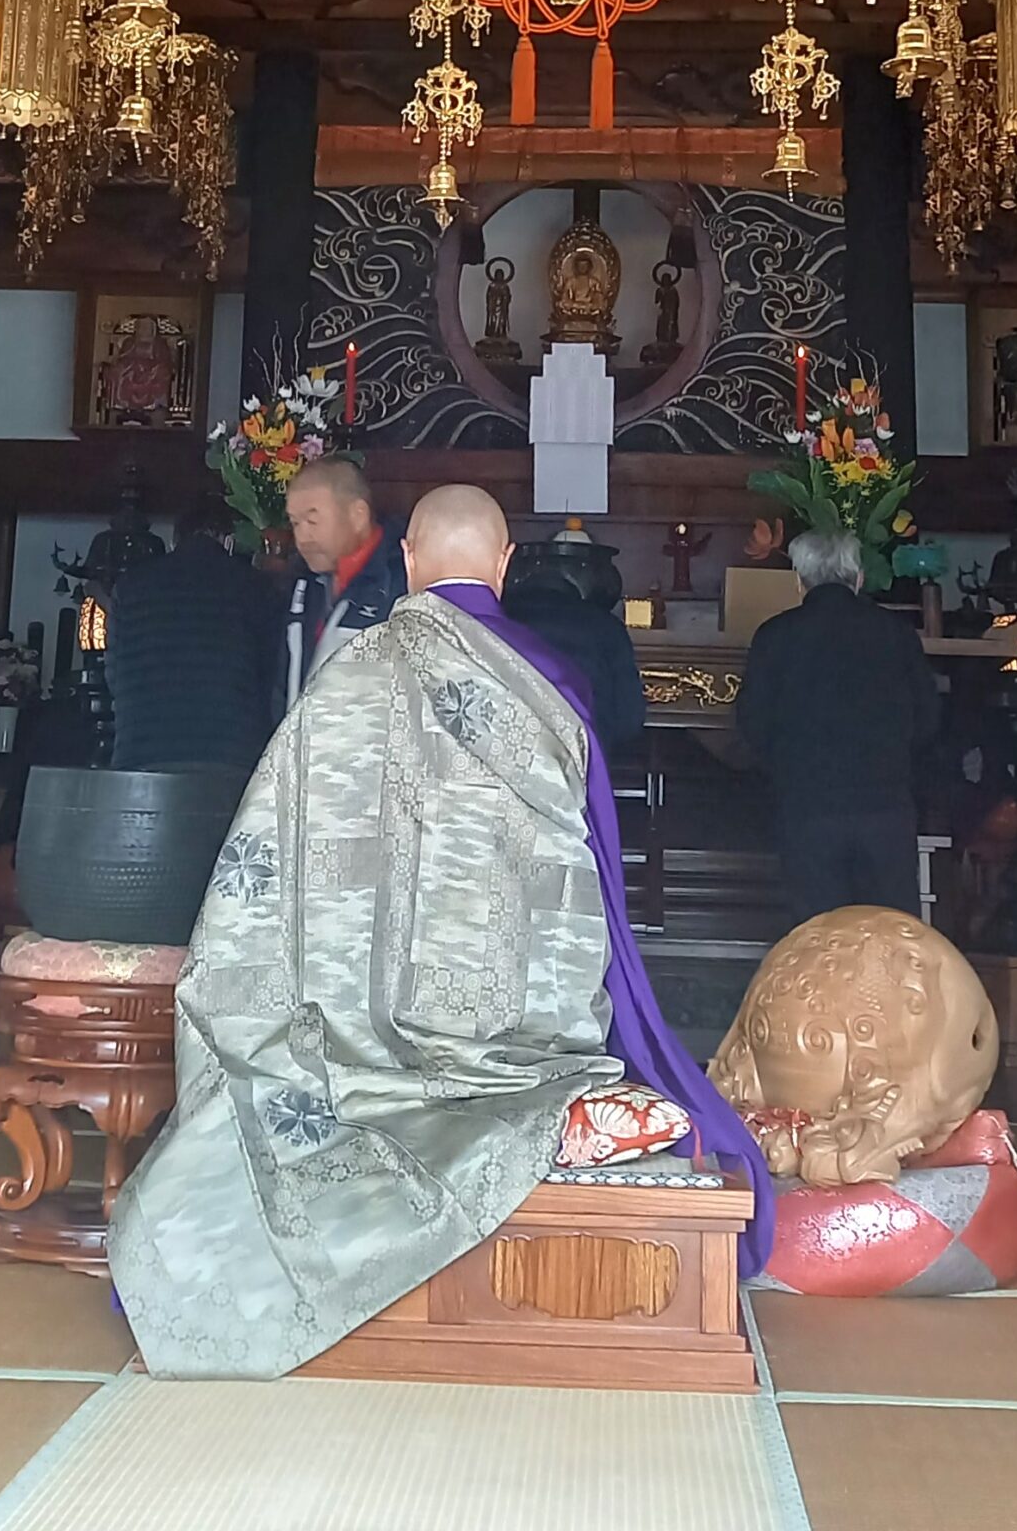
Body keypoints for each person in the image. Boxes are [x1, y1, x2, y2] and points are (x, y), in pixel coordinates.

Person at [109, 484, 772, 1378]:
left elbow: (273, 836)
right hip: (516, 1024)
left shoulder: (350, 669)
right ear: (502, 567)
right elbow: (594, 870)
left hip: (353, 1019)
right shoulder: (551, 679)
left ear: (411, 563)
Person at [736, 528, 940, 926]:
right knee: (889, 935)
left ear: (800, 581)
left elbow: (752, 724)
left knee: (817, 937)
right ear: (859, 577)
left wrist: (786, 773)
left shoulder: (776, 636)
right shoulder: (896, 634)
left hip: (807, 806)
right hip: (886, 804)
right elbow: (928, 717)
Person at [104, 497, 284, 772]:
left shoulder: (129, 586)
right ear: (228, 541)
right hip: (232, 756)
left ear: (175, 540)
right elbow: (272, 680)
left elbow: (114, 675)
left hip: (140, 754)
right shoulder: (256, 586)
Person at [282, 455, 405, 711]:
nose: (302, 536)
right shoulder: (302, 584)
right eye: (295, 523)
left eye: (312, 521)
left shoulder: (400, 584)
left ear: (358, 515)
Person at [504, 557, 644, 762]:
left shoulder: (496, 618)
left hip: (504, 764)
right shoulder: (605, 625)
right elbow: (629, 718)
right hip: (583, 765)